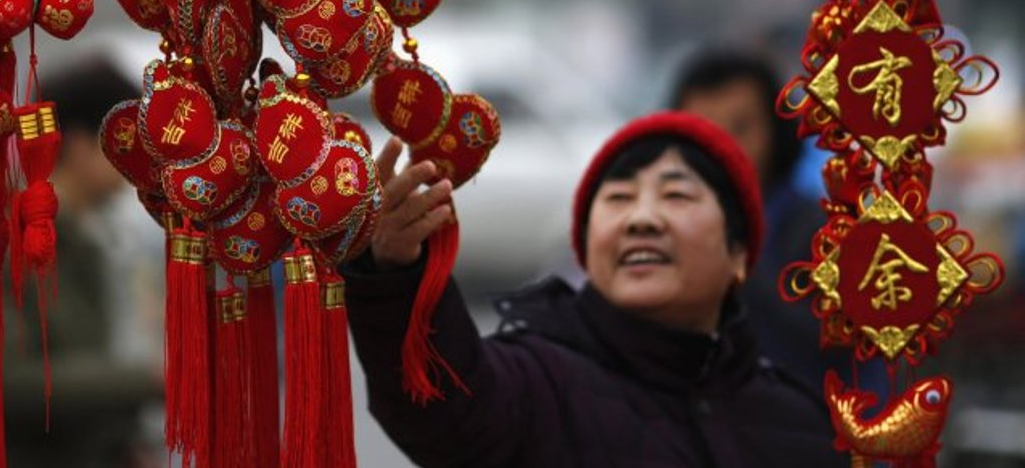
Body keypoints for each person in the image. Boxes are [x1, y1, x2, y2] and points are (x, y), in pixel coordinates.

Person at [346, 111, 844, 467]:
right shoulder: (536, 383)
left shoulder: (803, 422)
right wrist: (395, 275)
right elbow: (442, 413)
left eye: (677, 194)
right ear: (586, 248)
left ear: (739, 254)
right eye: (619, 198)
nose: (642, 219)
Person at [3, 56, 164, 468]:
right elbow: (8, 384)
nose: (137, 165)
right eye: (125, 146)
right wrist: (148, 380)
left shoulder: (91, 236)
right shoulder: (11, 243)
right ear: (79, 146)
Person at [670, 47, 846, 390]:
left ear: (775, 131)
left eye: (740, 128)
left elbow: (823, 352)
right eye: (701, 131)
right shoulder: (662, 224)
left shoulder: (822, 231)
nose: (720, 146)